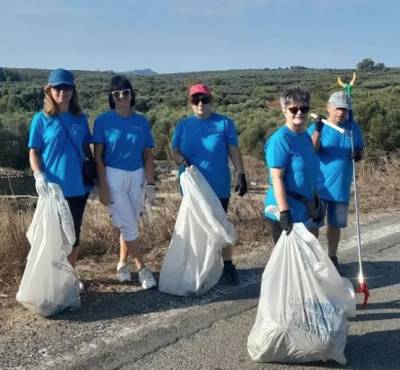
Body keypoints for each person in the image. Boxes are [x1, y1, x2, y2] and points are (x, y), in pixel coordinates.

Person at [171, 83, 247, 285]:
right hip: (193, 186)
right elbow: (174, 150)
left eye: (204, 99)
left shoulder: (224, 123)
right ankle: (200, 269)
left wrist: (241, 173)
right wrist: (181, 161)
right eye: (196, 100)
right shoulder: (183, 125)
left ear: (211, 101)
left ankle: (228, 266)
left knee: (220, 224)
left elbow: (233, 148)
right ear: (190, 103)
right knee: (197, 227)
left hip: (218, 184)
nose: (200, 103)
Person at [28, 68, 92, 290]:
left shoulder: (80, 119)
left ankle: (69, 276)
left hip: (77, 188)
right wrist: (38, 175)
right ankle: (50, 278)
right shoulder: (41, 119)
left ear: (73, 90)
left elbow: (86, 149)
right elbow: (34, 151)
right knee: (52, 236)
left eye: (67, 87)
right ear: (49, 90)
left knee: (73, 235)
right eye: (58, 87)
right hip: (53, 189)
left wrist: (94, 177)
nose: (62, 92)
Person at [93, 75, 157, 289]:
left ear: (132, 95)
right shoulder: (103, 121)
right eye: (116, 94)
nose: (122, 97)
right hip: (113, 175)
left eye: (126, 92)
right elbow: (98, 156)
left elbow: (147, 155)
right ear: (112, 97)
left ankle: (121, 264)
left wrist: (151, 184)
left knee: (129, 222)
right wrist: (102, 186)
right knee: (129, 223)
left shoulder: (141, 121)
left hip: (137, 175)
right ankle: (142, 268)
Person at [308, 91, 364, 269]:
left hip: (341, 187)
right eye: (338, 108)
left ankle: (332, 258)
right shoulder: (318, 126)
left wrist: (358, 154)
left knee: (335, 225)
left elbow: (360, 151)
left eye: (345, 109)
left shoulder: (353, 128)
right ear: (328, 107)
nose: (341, 112)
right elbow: (311, 151)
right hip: (318, 188)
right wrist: (317, 129)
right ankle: (314, 260)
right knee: (313, 226)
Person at [264, 87, 320, 244]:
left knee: (306, 258)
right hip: (286, 208)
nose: (299, 112)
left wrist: (315, 200)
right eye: (294, 109)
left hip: (304, 208)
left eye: (304, 108)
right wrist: (284, 212)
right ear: (284, 111)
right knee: (289, 264)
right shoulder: (280, 140)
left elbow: (310, 172)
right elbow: (277, 178)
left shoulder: (305, 137)